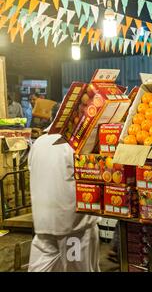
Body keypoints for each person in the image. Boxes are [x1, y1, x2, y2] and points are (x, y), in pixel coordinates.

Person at [28, 104, 100, 272]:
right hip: (75, 227)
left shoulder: (39, 143)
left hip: (43, 224)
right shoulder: (73, 145)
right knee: (79, 268)